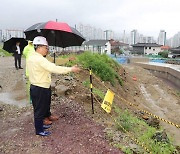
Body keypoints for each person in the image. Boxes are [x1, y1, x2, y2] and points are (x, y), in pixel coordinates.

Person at [27, 36, 80, 136]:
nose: (47, 50)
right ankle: (39, 130)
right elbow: (53, 68)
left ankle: (41, 126)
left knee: (41, 107)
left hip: (38, 86)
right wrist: (71, 69)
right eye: (46, 48)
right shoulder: (39, 59)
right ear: (39, 47)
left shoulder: (33, 57)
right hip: (40, 87)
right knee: (39, 110)